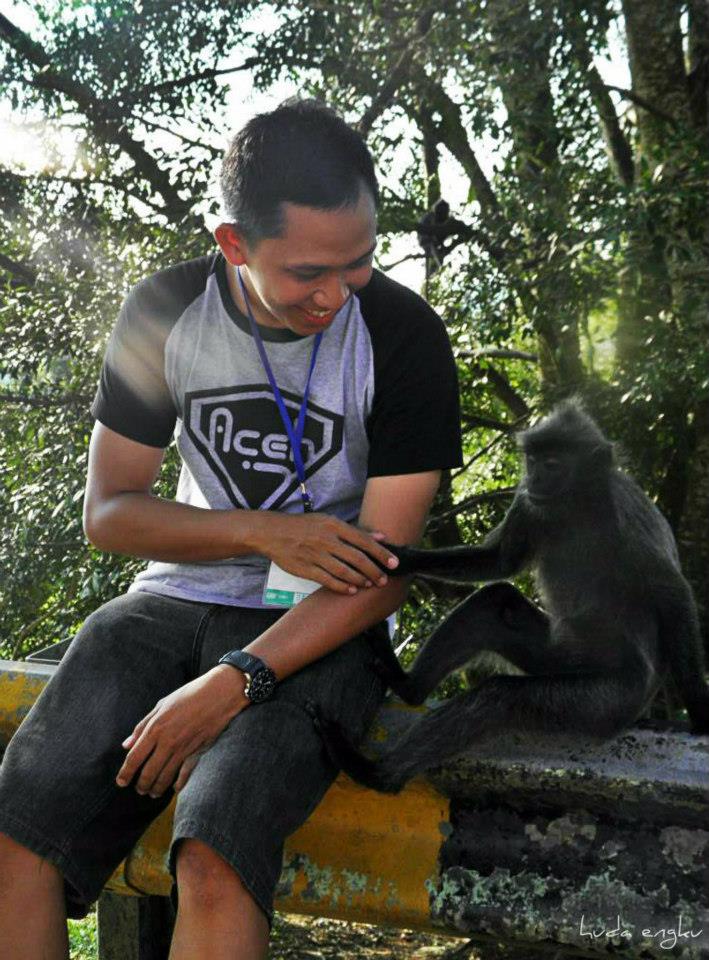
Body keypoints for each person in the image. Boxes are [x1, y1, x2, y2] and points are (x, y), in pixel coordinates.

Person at [0, 99, 462, 960]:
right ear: (234, 244)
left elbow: (387, 571)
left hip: (325, 625)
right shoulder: (164, 312)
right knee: (16, 829)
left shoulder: (402, 338)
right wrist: (264, 533)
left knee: (211, 852)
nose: (335, 293)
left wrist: (234, 681)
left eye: (358, 263)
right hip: (171, 603)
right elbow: (109, 514)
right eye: (307, 273)